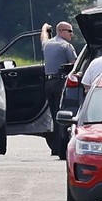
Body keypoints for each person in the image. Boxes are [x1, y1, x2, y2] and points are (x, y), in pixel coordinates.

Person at [41, 22, 78, 150]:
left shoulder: (48, 45)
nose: (72, 34)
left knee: (53, 114)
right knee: (62, 116)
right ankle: (60, 146)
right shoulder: (66, 46)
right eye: (70, 31)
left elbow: (43, 38)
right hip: (59, 82)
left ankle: (55, 147)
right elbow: (75, 65)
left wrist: (44, 29)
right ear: (61, 31)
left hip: (48, 83)